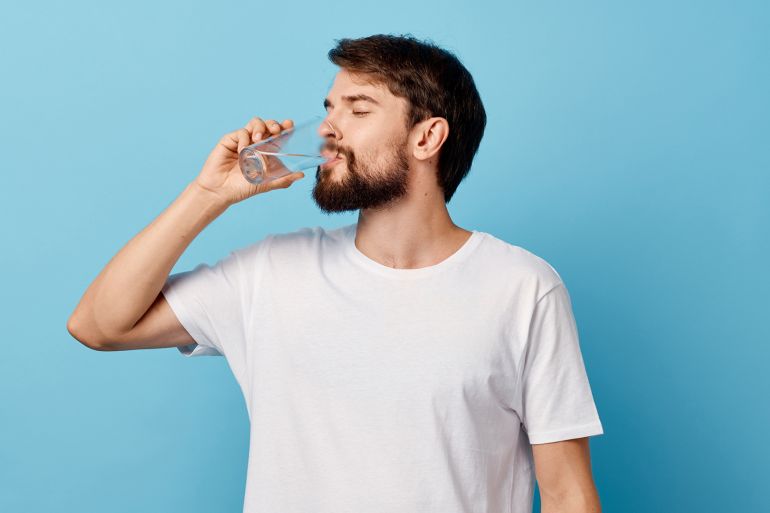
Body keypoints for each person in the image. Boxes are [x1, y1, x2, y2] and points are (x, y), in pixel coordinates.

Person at [68, 34, 604, 513]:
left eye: (358, 109)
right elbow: (99, 325)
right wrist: (208, 196)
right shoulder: (271, 272)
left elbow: (567, 494)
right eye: (329, 107)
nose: (327, 128)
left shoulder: (522, 287)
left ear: (426, 138)